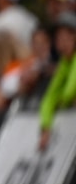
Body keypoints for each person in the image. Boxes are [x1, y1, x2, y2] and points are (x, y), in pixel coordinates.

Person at [38, 12, 76, 151]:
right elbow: (49, 98)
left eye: (63, 36)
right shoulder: (65, 63)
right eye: (56, 37)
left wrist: (60, 101)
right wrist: (46, 127)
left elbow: (69, 92)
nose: (59, 41)